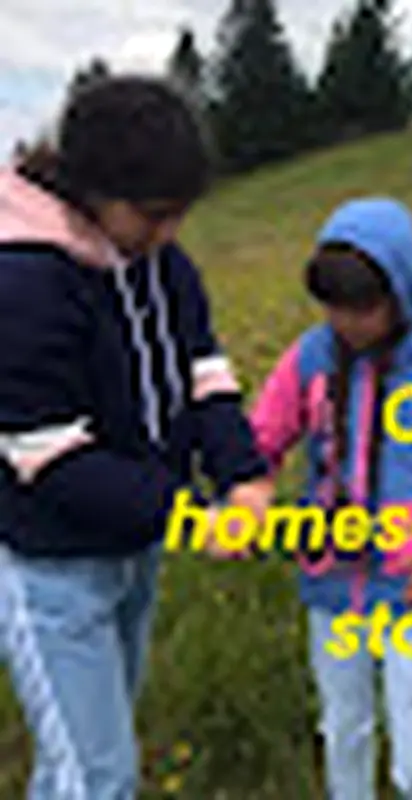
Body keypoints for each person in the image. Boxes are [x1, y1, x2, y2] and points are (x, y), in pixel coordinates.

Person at [0, 75, 272, 798]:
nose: (169, 233)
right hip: (51, 567)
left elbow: (204, 373)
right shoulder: (21, 283)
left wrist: (242, 473)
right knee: (98, 777)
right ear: (90, 190)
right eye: (154, 215)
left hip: (132, 551)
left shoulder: (161, 265)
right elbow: (50, 456)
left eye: (179, 214)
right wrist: (189, 514)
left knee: (79, 764)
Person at [245, 195, 412, 799]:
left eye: (363, 307)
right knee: (344, 733)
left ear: (402, 290)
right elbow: (260, 443)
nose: (347, 322)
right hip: (331, 585)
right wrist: (250, 494)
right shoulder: (308, 359)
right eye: (333, 307)